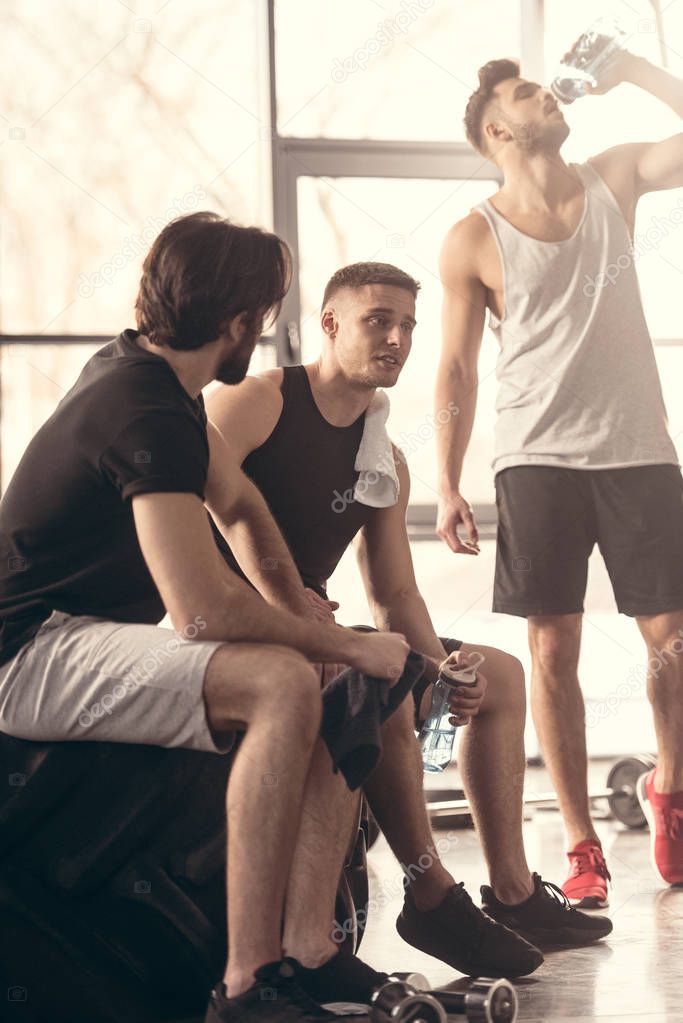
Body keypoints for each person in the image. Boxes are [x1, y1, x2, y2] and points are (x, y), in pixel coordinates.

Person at [0, 212, 416, 1023]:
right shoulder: (140, 406)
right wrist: (339, 642)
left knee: (332, 678)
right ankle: (246, 983)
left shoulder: (163, 387)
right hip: (27, 650)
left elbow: (245, 510)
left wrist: (306, 615)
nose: (259, 338)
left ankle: (311, 948)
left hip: (83, 636)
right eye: (258, 321)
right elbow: (197, 611)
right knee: (282, 683)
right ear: (236, 323)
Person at [206, 260, 611, 981]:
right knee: (376, 669)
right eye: (377, 320)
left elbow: (393, 592)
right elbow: (195, 496)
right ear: (328, 324)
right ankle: (429, 892)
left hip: (322, 624)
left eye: (407, 326)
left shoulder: (382, 455)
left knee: (499, 675)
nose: (396, 337)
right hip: (233, 620)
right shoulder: (260, 399)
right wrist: (289, 602)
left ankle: (511, 892)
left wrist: (441, 669)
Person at [434, 50, 683, 908]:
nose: (547, 92)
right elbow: (457, 370)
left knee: (671, 638)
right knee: (551, 647)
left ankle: (669, 788)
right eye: (523, 93)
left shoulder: (611, 178)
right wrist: (449, 480)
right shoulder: (473, 236)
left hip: (637, 449)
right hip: (534, 454)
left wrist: (635, 70)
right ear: (498, 129)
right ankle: (580, 844)